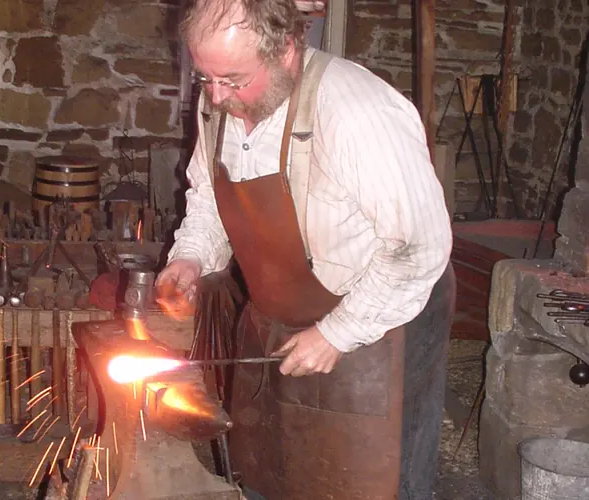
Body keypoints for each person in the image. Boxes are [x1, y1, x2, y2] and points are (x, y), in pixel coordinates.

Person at [154, 0, 456, 498]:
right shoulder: (219, 100)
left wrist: (338, 333)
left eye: (231, 78)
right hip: (282, 314)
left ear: (288, 52)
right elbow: (208, 194)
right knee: (278, 464)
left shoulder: (357, 112)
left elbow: (418, 247)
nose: (216, 94)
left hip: (382, 315)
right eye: (204, 78)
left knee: (373, 477)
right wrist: (191, 256)